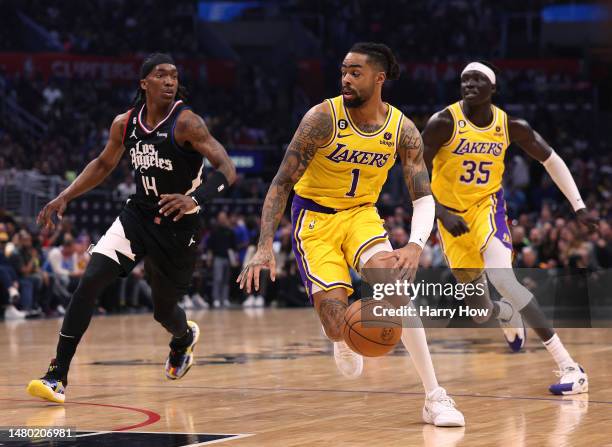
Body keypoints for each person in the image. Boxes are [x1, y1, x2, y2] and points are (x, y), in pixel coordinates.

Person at [238, 43, 465, 427]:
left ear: (379, 78)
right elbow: (280, 184)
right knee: (335, 322)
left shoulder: (402, 130)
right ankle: (340, 336)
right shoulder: (321, 119)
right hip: (314, 220)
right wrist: (263, 247)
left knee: (395, 289)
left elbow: (423, 198)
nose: (345, 77)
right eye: (343, 70)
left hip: (361, 214)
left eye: (355, 72)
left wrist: (413, 245)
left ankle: (434, 396)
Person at [27, 53, 236, 403]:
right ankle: (57, 375)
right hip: (137, 216)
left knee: (163, 309)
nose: (170, 81)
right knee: (90, 280)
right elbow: (104, 163)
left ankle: (183, 337)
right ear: (144, 83)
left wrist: (194, 199)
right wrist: (65, 196)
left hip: (178, 226)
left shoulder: (187, 123)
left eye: (174, 75)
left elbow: (227, 169)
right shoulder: (125, 124)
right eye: (161, 75)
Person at [422, 61, 598, 395]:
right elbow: (413, 171)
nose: (469, 84)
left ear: (493, 88)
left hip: (487, 209)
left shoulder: (510, 126)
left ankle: (570, 367)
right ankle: (505, 312)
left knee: (504, 278)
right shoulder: (442, 123)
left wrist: (579, 206)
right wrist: (440, 211)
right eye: (464, 79)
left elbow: (551, 160)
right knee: (478, 312)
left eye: (478, 79)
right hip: (450, 218)